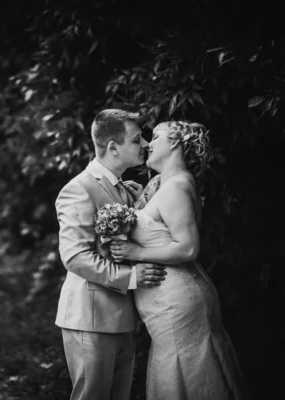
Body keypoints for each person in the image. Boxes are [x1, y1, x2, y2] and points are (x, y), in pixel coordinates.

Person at [110, 121, 249, 399]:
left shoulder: (176, 186)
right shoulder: (165, 184)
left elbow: (187, 249)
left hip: (178, 301)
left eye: (156, 137)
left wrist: (137, 254)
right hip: (166, 303)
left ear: (175, 143)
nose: (148, 144)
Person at [55, 109, 168, 400]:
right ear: (113, 147)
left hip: (123, 318)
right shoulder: (78, 189)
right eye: (136, 139)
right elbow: (75, 256)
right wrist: (131, 277)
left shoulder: (128, 191)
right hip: (90, 317)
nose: (145, 144)